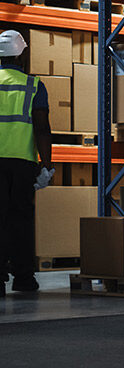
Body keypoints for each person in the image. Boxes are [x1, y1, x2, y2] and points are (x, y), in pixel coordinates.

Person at [0, 30, 55, 298]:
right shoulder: (34, 86)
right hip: (22, 163)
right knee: (20, 220)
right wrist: (46, 164)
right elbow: (42, 129)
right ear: (22, 55)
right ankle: (23, 278)